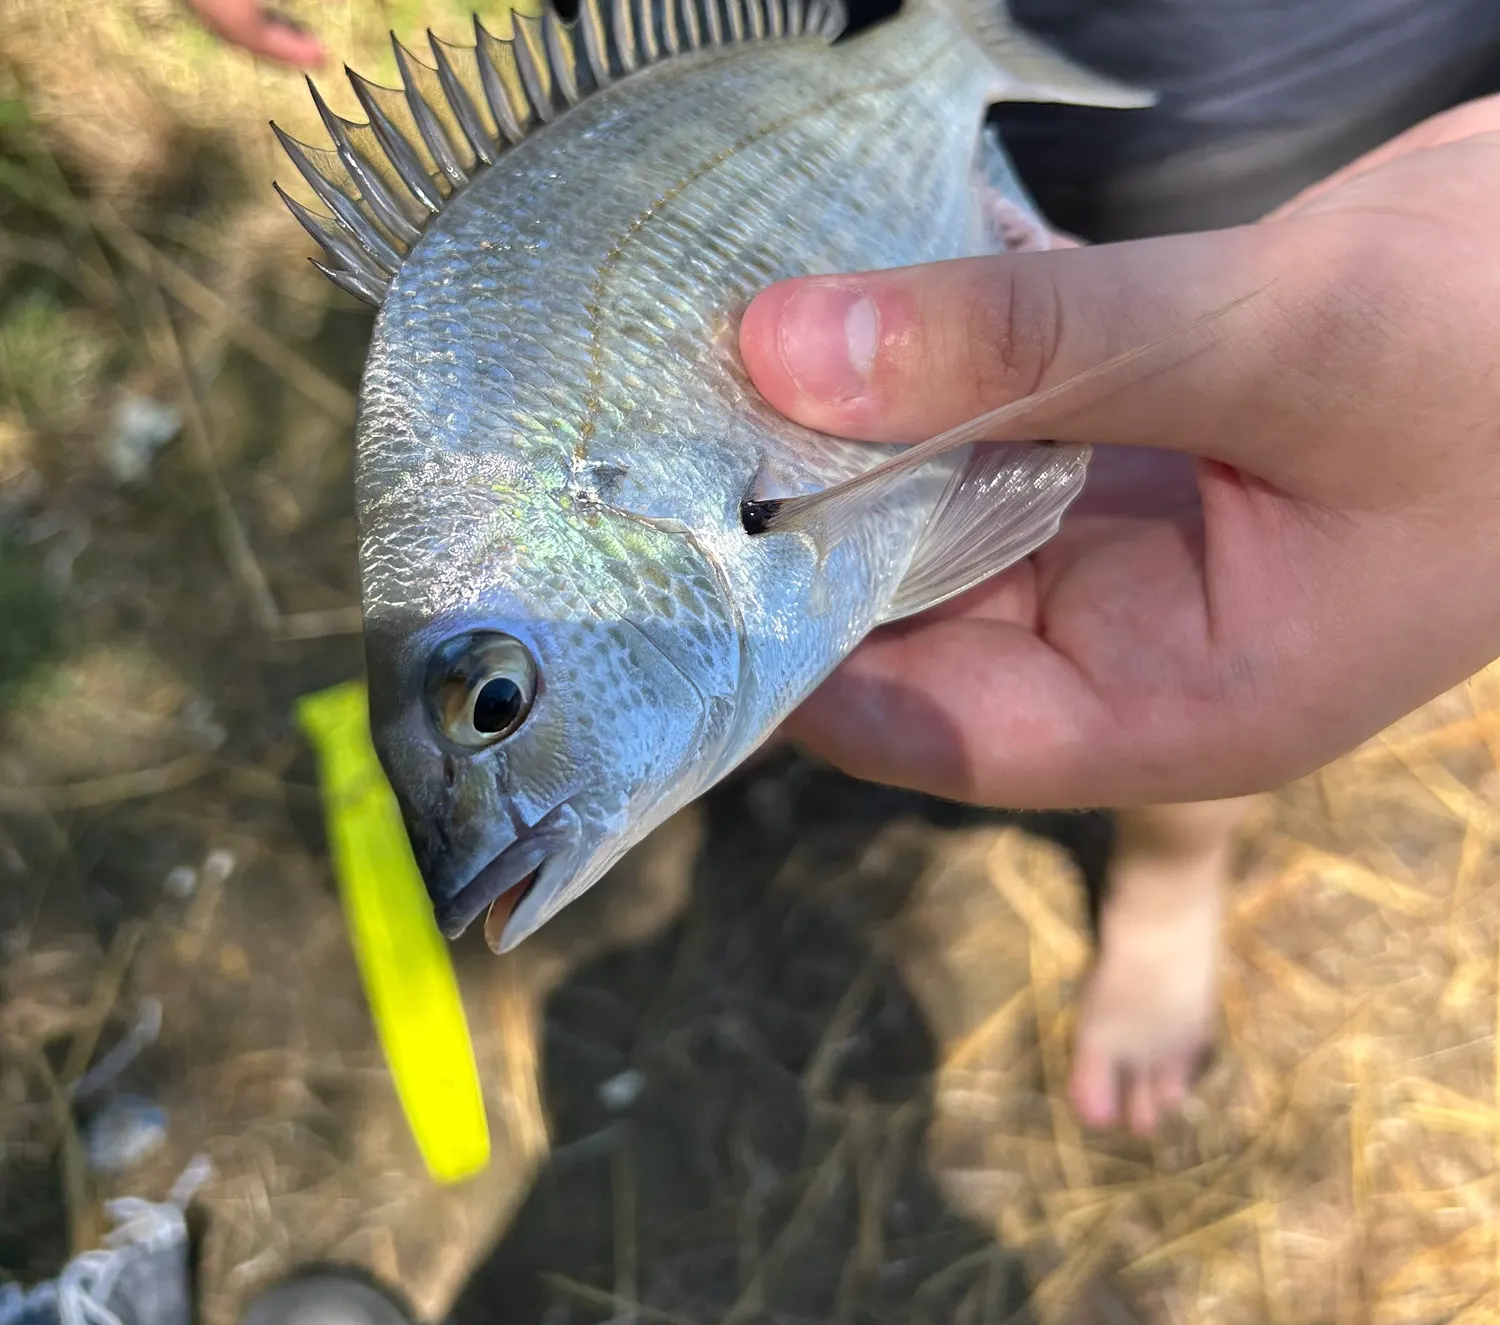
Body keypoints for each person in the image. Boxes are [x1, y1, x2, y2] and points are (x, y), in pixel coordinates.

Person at [186, 0, 1500, 1134]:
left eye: (495, 704)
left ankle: (1174, 870)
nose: (488, 764)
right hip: (719, 94)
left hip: (1260, 65)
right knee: (1162, 579)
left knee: (1201, 522)